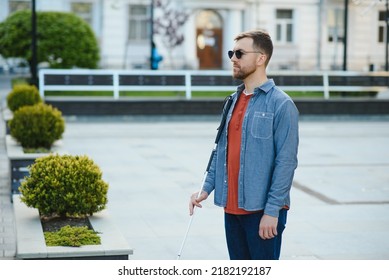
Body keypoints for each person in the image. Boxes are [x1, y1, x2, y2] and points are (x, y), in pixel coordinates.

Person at [189, 30, 299, 260]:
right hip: (231, 210)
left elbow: (286, 163)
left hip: (261, 212)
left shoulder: (281, 104)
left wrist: (272, 212)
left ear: (261, 58)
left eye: (239, 53)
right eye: (232, 52)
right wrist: (205, 188)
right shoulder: (232, 100)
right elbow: (222, 151)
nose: (233, 58)